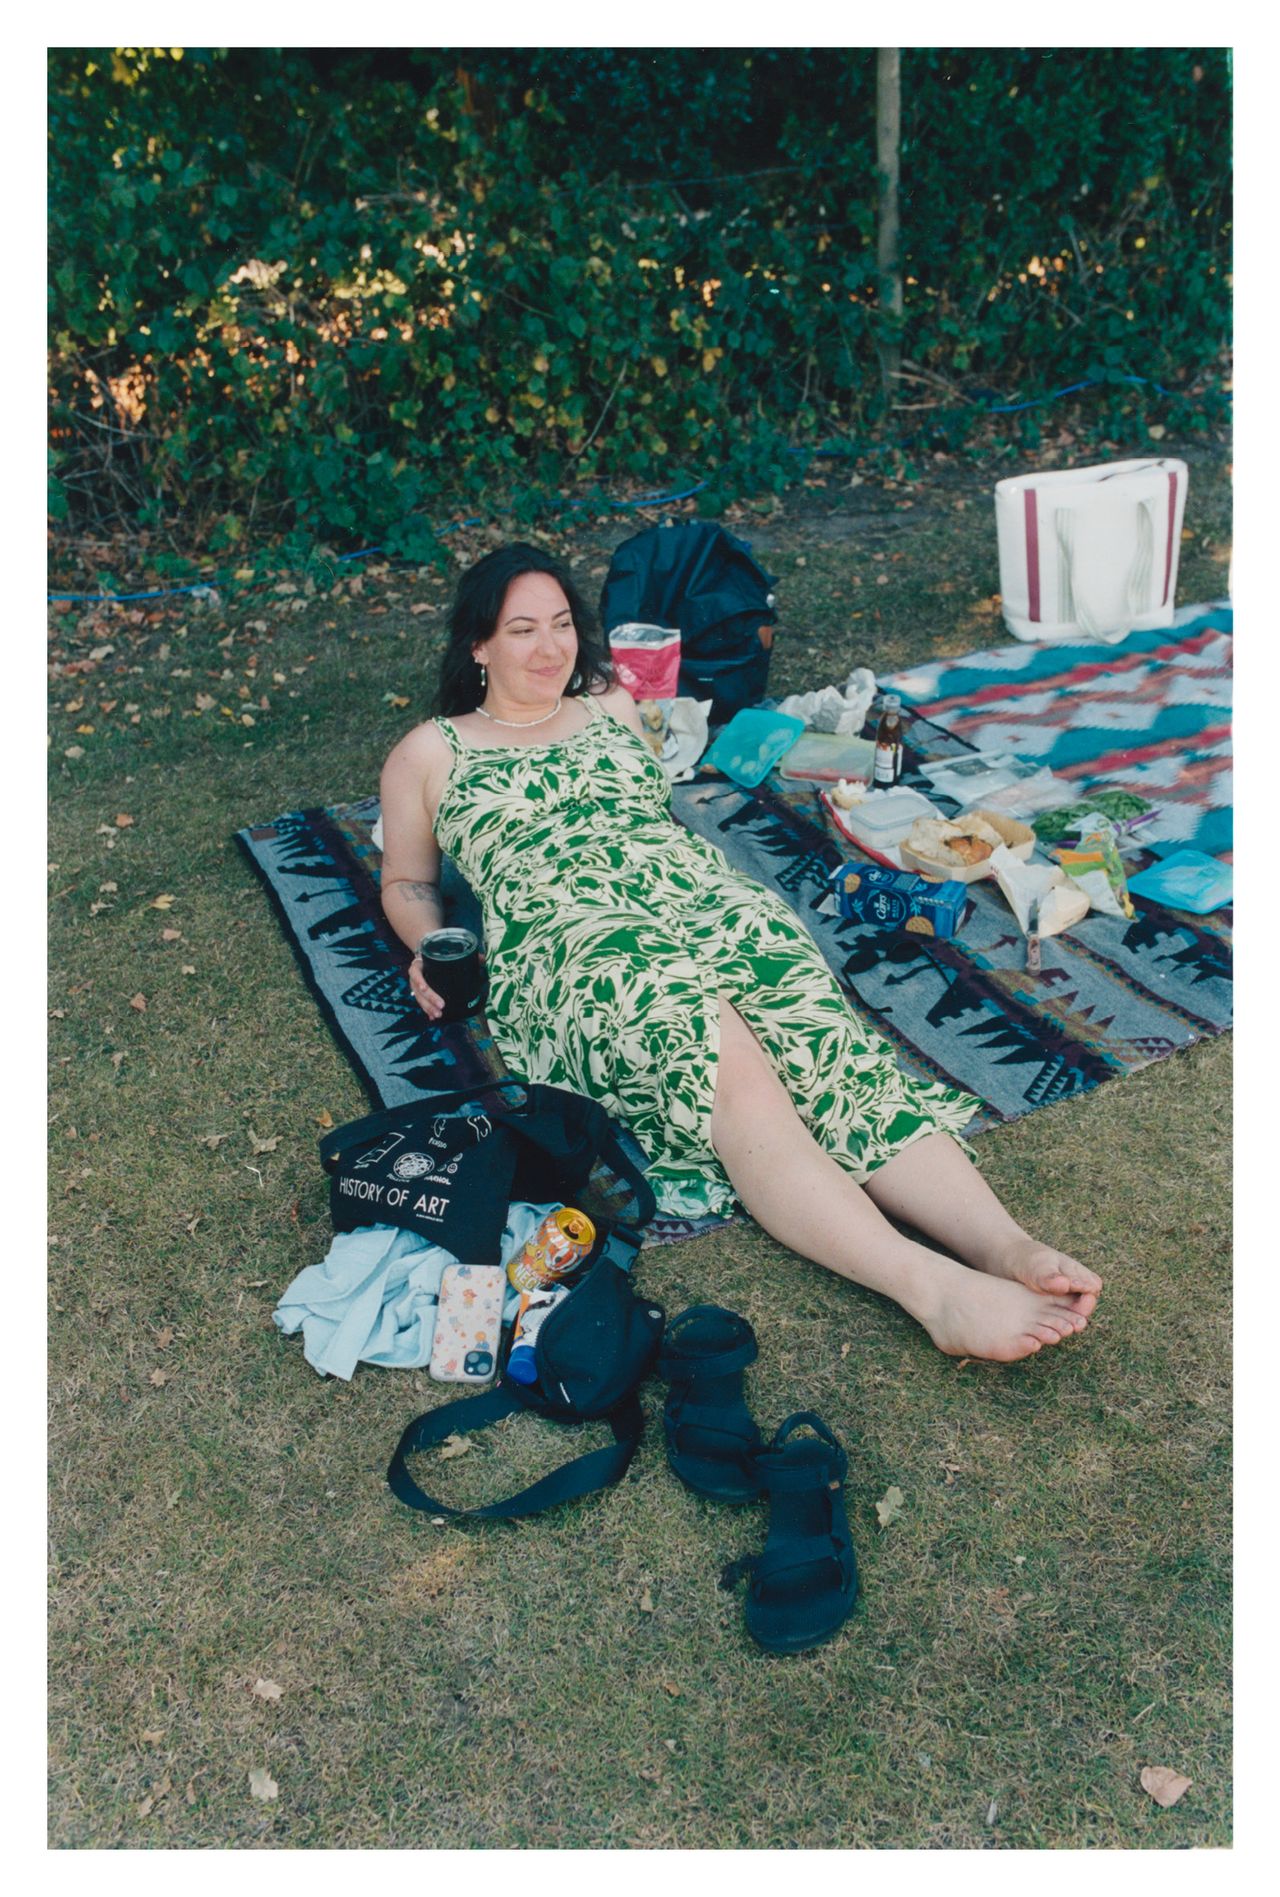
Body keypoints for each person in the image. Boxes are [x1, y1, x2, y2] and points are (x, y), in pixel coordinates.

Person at [379, 544, 1101, 1364]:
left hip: (695, 892)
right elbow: (406, 880)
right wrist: (430, 947)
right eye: (521, 630)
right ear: (478, 643)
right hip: (572, 934)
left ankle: (1004, 1244)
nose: (550, 649)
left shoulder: (611, 704)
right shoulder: (431, 752)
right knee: (732, 1068)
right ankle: (932, 1289)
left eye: (561, 624)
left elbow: (648, 818)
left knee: (826, 1042)